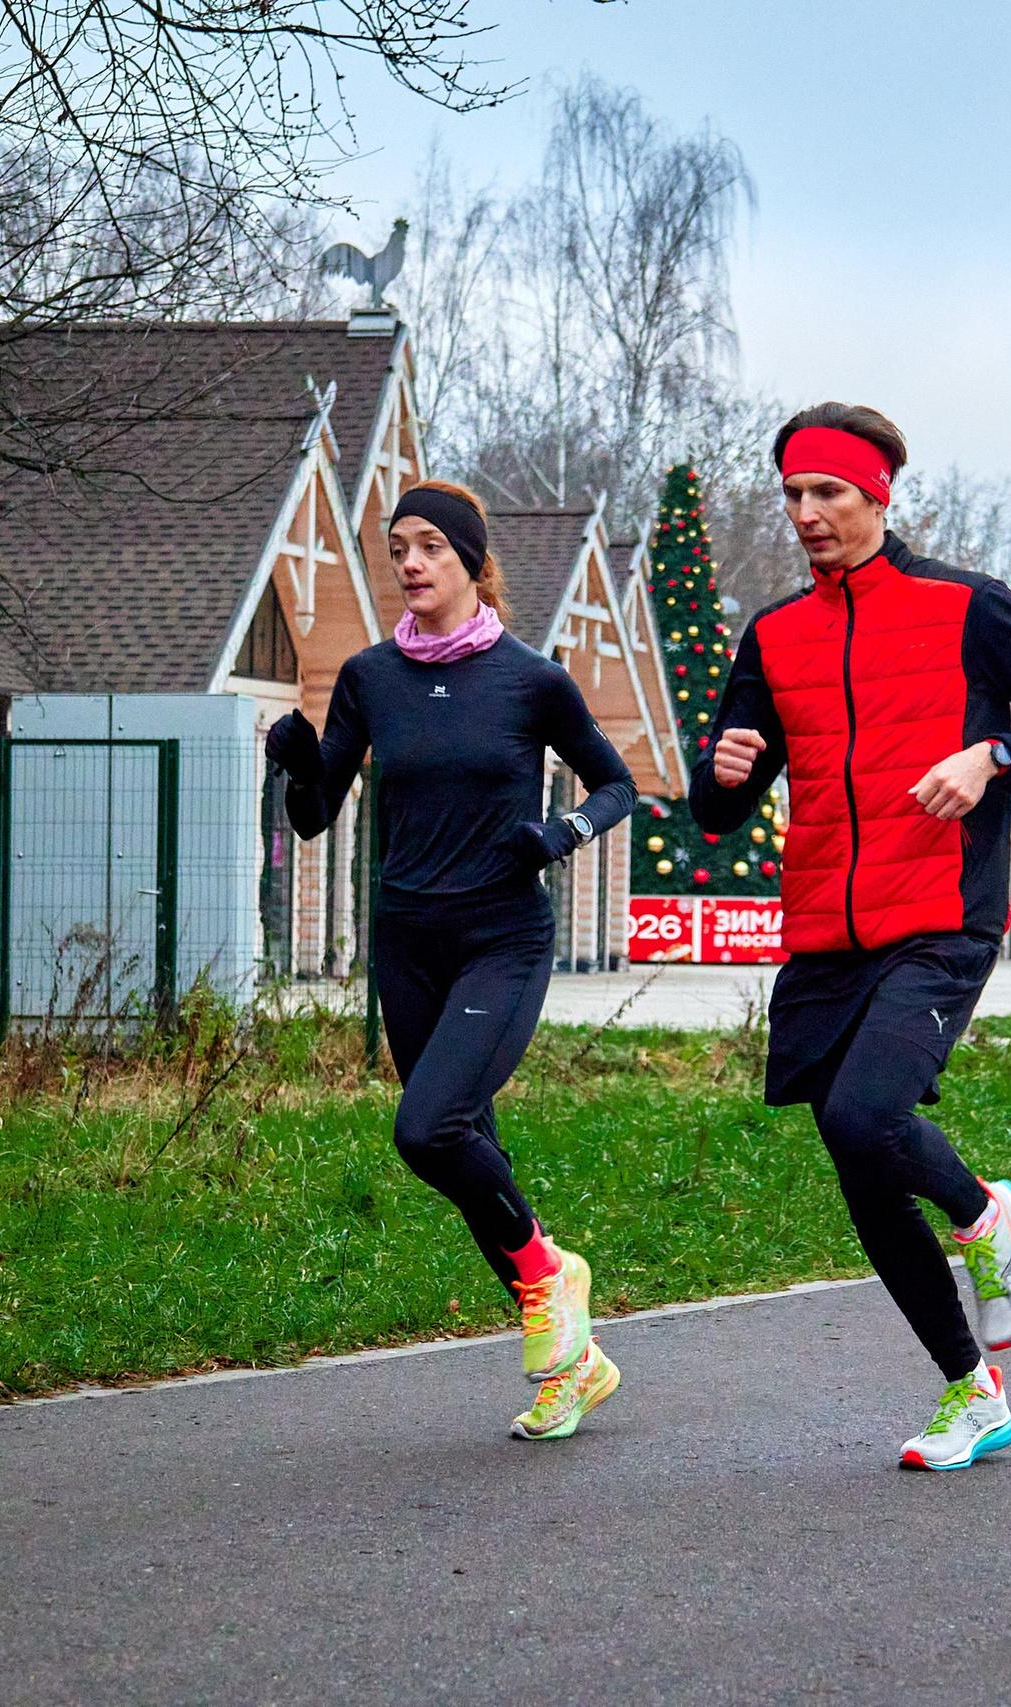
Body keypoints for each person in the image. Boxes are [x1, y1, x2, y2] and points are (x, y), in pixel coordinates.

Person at [692, 402, 1011, 1470]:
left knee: (867, 1113)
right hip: (824, 929)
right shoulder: (774, 634)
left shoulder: (966, 607)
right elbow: (721, 804)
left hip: (938, 915)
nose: (807, 512)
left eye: (828, 492)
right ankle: (971, 1391)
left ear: (877, 497)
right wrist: (722, 773)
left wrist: (993, 758)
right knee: (859, 1164)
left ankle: (984, 1218)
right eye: (793, 494)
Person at [266, 480, 636, 1441]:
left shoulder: (531, 681)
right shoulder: (370, 677)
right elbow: (314, 818)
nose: (411, 563)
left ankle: (553, 1276)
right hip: (407, 942)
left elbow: (616, 785)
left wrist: (558, 834)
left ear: (472, 560)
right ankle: (573, 1365)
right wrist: (298, 762)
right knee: (475, 1155)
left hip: (501, 940)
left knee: (428, 1130)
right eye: (399, 548)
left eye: (430, 545)